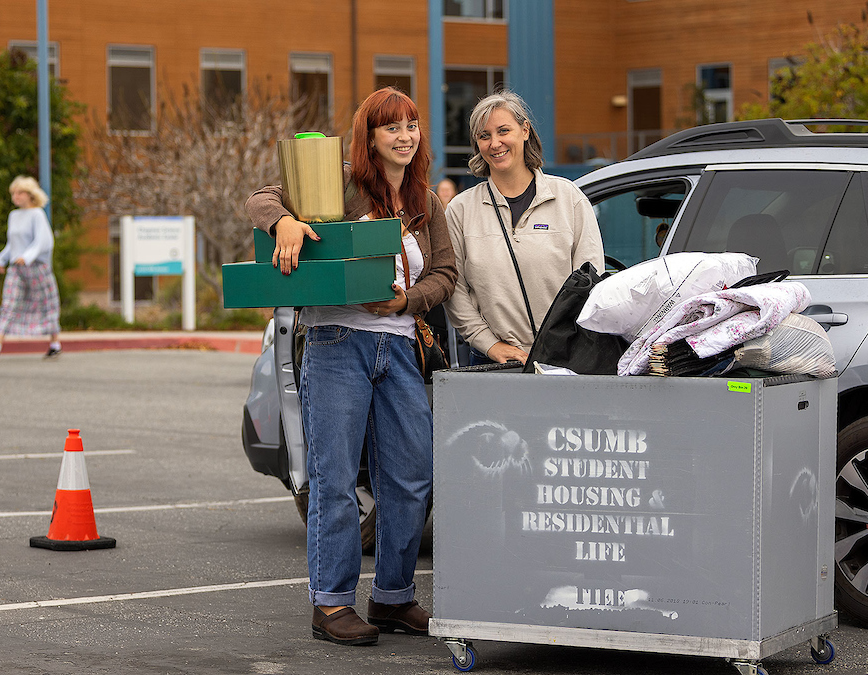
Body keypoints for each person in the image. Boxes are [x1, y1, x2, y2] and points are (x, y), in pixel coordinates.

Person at [246, 87, 457, 646]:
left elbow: (444, 275)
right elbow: (261, 199)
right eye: (392, 127)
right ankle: (332, 603)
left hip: (402, 347)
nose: (405, 136)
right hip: (337, 342)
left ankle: (392, 597)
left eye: (412, 125)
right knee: (336, 478)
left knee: (411, 476)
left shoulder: (424, 202)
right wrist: (284, 224)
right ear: (370, 136)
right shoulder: (338, 181)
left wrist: (405, 303)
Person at [443, 90, 604, 365]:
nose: (495, 143)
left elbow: (591, 281)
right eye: (484, 136)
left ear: (525, 130)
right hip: (491, 363)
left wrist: (567, 343)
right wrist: (489, 344)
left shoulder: (569, 198)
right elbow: (453, 289)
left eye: (503, 130)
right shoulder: (460, 210)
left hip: (564, 359)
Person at [0, 176, 62, 361]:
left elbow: (44, 241)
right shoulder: (13, 216)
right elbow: (13, 244)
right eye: (13, 193)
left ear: (30, 195)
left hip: (37, 267)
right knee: (9, 304)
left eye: (19, 192)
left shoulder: (37, 214)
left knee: (47, 304)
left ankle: (55, 343)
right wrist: (2, 258)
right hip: (17, 269)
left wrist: (28, 256)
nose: (16, 196)